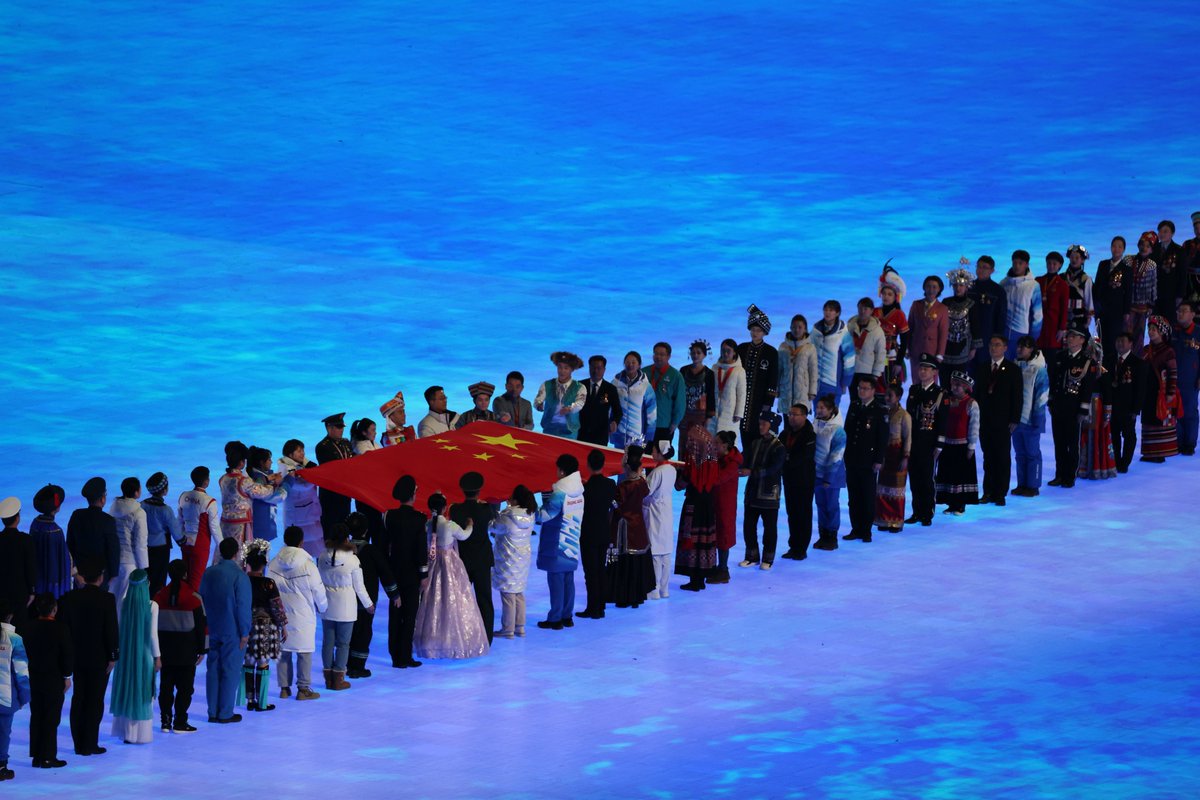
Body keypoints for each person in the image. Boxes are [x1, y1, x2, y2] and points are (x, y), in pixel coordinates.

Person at [413, 494, 489, 659]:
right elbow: (464, 535)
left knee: (433, 600)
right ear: (444, 508)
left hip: (432, 563)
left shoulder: (428, 524)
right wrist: (470, 525)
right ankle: (453, 640)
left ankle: (432, 640)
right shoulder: (449, 525)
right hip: (449, 563)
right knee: (452, 599)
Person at [56, 558, 118, 754]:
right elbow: (111, 630)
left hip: (76, 657)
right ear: (100, 578)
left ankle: (78, 744)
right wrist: (113, 655)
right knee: (95, 700)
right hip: (99, 658)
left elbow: (64, 631)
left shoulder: (68, 599)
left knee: (79, 698)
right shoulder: (107, 599)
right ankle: (90, 743)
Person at [267, 526, 326, 698]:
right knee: (304, 652)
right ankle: (303, 689)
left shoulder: (274, 562)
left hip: (280, 615)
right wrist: (323, 608)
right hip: (303, 615)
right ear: (302, 542)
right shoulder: (308, 565)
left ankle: (284, 689)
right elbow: (318, 590)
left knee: (284, 651)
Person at [198, 537, 251, 724]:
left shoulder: (209, 573)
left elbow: (201, 598)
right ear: (237, 553)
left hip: (212, 626)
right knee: (230, 670)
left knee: (213, 669)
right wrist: (245, 632)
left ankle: (212, 711)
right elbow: (243, 607)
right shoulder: (240, 576)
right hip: (232, 629)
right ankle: (225, 712)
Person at [318, 524, 374, 689]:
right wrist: (368, 603)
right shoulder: (352, 559)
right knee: (343, 644)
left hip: (327, 604)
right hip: (346, 606)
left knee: (328, 642)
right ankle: (339, 679)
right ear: (346, 538)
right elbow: (359, 586)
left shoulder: (322, 556)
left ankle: (328, 678)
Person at [153, 559, 206, 732]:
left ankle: (165, 721)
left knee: (165, 687)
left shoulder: (159, 596)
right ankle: (180, 721)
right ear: (185, 574)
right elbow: (202, 626)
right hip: (187, 651)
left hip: (165, 651)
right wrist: (202, 649)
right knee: (185, 688)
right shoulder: (194, 598)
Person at [344, 512, 398, 678]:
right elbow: (385, 573)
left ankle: (345, 664)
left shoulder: (341, 550)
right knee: (364, 632)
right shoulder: (372, 551)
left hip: (345, 600)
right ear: (366, 530)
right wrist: (394, 594)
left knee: (348, 633)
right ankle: (358, 666)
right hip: (367, 601)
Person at [109, 569, 160, 744]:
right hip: (144, 655)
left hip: (126, 654)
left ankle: (126, 733)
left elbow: (119, 628)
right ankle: (140, 734)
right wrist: (158, 656)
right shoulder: (152, 606)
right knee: (143, 690)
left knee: (127, 688)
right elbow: (153, 635)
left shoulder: (123, 603)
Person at [382, 477, 428, 668]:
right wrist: (424, 574)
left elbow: (385, 544)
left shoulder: (388, 516)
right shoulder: (419, 519)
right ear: (413, 495)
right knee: (410, 615)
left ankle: (395, 656)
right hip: (411, 574)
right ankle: (405, 655)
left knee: (395, 613)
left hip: (393, 570)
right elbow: (420, 550)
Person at [536, 455, 585, 628]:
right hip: (571, 540)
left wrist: (533, 508)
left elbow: (544, 515)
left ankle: (555, 618)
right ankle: (566, 615)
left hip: (557, 542)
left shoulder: (559, 494)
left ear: (562, 471)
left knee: (556, 581)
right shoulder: (579, 491)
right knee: (568, 580)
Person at [23, 593, 70, 768]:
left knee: (36, 715)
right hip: (53, 679)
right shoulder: (61, 629)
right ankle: (48, 756)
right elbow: (66, 656)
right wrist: (67, 676)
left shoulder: (28, 627)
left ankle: (36, 756)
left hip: (33, 678)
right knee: (51, 717)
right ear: (54, 609)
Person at [449, 471, 497, 644]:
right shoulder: (486, 509)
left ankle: (463, 635)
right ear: (479, 490)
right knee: (485, 598)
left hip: (464, 560)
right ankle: (487, 638)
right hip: (483, 559)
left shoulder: (455, 509)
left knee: (461, 599)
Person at [1048, 328, 1099, 488]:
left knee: (1072, 443)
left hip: (1074, 408)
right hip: (1058, 406)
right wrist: (1051, 402)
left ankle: (1070, 476)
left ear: (1082, 340)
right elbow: (1053, 381)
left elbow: (1087, 388)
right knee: (1059, 443)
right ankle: (1059, 474)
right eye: (1069, 336)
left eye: (1074, 336)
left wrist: (1083, 410)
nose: (1070, 339)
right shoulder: (1060, 357)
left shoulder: (1087, 361)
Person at [241, 542, 287, 712]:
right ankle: (261, 701)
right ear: (264, 564)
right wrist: (283, 626)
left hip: (246, 625)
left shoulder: (243, 581)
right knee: (262, 662)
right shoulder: (268, 583)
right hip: (266, 628)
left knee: (248, 661)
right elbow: (277, 607)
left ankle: (249, 700)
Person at [976, 334, 1022, 505]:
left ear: (1005, 347)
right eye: (991, 345)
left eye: (997, 345)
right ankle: (988, 491)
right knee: (988, 457)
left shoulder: (1012, 370)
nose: (993, 348)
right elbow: (978, 394)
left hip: (1003, 421)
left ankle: (1000, 492)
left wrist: (1014, 419)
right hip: (985, 420)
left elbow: (1017, 397)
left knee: (1002, 457)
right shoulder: (982, 368)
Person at [219, 442, 283, 561]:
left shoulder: (223, 478)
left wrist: (267, 478)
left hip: (226, 522)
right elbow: (261, 492)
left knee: (226, 551)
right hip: (241, 523)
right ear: (242, 462)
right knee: (239, 554)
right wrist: (275, 485)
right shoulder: (244, 480)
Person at [607, 445, 654, 606]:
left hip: (624, 528)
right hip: (638, 525)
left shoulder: (623, 487)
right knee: (637, 560)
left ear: (627, 466)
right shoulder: (642, 483)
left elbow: (615, 505)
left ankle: (624, 595)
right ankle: (637, 596)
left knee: (626, 560)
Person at [674, 424, 719, 590]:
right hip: (707, 506)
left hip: (693, 505)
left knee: (692, 539)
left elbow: (680, 485)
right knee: (704, 540)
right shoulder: (712, 464)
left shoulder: (692, 466)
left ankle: (694, 580)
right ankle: (700, 578)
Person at [843, 377, 888, 541]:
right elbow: (847, 431)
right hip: (852, 458)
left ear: (873, 391)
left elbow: (882, 438)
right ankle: (855, 528)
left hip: (868, 460)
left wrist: (878, 459)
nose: (861, 391)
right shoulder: (854, 406)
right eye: (860, 388)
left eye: (865, 388)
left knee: (867, 496)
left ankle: (866, 530)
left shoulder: (879, 410)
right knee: (853, 497)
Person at [739, 411, 787, 564]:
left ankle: (768, 558)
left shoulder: (779, 447)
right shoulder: (755, 443)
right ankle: (751, 556)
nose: (760, 427)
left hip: (769, 495)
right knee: (748, 526)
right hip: (753, 492)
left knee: (769, 529)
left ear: (771, 426)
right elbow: (742, 458)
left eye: (763, 424)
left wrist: (751, 472)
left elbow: (773, 469)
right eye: (759, 423)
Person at [489, 486, 536, 635]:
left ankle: (508, 629)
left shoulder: (507, 517)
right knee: (519, 593)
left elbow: (493, 527)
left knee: (508, 594)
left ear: (515, 499)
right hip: (522, 558)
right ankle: (519, 627)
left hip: (507, 559)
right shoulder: (530, 514)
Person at [905, 355, 944, 524]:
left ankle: (927, 512)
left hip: (929, 441)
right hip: (913, 441)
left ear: (934, 372)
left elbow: (942, 420)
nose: (922, 371)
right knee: (914, 477)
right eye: (921, 368)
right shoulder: (914, 390)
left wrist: (939, 444)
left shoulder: (939, 393)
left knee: (927, 478)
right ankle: (916, 511)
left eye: (926, 368)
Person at [935, 372, 981, 515]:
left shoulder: (971, 403)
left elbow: (974, 426)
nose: (955, 387)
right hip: (947, 444)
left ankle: (960, 504)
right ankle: (950, 503)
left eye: (958, 385)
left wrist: (971, 446)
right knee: (948, 474)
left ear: (966, 388)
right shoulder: (946, 401)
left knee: (960, 475)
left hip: (962, 446)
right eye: (953, 384)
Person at [577, 451, 615, 619]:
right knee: (601, 569)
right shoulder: (610, 485)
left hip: (588, 533)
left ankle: (593, 607)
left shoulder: (585, 488)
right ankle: (601, 606)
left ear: (588, 464)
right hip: (604, 531)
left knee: (591, 571)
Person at [67, 477, 120, 592]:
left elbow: (69, 545)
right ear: (102, 499)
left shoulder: (76, 515)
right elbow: (113, 549)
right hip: (100, 576)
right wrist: (114, 574)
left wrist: (75, 573)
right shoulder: (108, 520)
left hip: (80, 574)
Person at [738, 304, 780, 448]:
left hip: (760, 400)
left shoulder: (771, 352)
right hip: (741, 398)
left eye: (759, 330)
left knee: (757, 430)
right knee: (742, 427)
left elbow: (773, 379)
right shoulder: (741, 349)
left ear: (764, 332)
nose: (755, 333)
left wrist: (768, 403)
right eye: (753, 330)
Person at [1013, 336, 1051, 495]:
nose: (1019, 349)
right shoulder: (1016, 365)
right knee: (1020, 454)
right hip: (1016, 420)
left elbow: (1042, 395)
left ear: (1032, 349)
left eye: (1024, 347)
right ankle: (1022, 484)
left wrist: (1038, 418)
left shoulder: (1039, 368)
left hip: (1031, 420)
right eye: (1019, 346)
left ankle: (1033, 486)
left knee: (1032, 453)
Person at [1140, 315, 1180, 463]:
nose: (1150, 332)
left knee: (1159, 419)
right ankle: (1149, 453)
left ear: (1162, 332)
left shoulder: (1169, 351)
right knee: (1148, 419)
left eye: (1154, 329)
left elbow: (1173, 373)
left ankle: (1160, 452)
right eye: (1149, 329)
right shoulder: (1145, 350)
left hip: (1160, 393)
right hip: (1147, 392)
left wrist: (1170, 392)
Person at [1106, 331, 1147, 474]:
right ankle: (1116, 460)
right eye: (1118, 340)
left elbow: (1140, 389)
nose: (1120, 343)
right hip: (1111, 406)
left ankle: (1125, 462)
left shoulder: (1138, 363)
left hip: (1128, 407)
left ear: (1130, 343)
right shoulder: (1108, 360)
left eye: (1123, 341)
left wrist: (1136, 409)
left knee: (1129, 435)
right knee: (1114, 435)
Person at [1076, 339, 1117, 481]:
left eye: (1094, 353)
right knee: (1084, 436)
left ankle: (1096, 468)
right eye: (1089, 352)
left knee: (1096, 437)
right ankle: (1082, 467)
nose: (1091, 355)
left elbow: (1108, 395)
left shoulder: (1102, 371)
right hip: (1086, 405)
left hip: (1097, 408)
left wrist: (1107, 414)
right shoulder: (1083, 368)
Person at [780, 403, 817, 558]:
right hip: (788, 479)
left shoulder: (809, 435)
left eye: (795, 414)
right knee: (792, 513)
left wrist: (786, 459)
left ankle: (801, 548)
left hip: (804, 480)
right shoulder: (785, 433)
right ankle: (793, 545)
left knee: (803, 513)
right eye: (790, 414)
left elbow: (802, 457)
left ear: (804, 416)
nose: (791, 417)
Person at [0, 599, 30, 781]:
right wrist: (25, 697)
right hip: (5, 698)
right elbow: (22, 673)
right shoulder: (15, 640)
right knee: (3, 733)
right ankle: (1, 767)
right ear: (10, 616)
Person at [875, 385, 912, 532]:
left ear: (898, 397)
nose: (886, 398)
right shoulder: (884, 412)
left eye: (890, 395)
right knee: (883, 488)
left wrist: (906, 456)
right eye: (886, 395)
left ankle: (896, 521)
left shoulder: (904, 416)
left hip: (897, 454)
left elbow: (908, 437)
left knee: (896, 490)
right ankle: (883, 520)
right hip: (885, 454)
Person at [177, 467, 221, 590]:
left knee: (184, 577)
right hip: (200, 544)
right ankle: (192, 607)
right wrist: (222, 546)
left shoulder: (183, 496)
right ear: (206, 481)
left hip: (185, 542)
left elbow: (179, 521)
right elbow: (214, 527)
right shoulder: (209, 501)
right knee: (196, 580)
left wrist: (179, 539)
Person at [278, 440, 324, 559]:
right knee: (299, 545)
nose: (302, 453)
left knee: (313, 544)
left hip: (307, 511)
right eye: (299, 451)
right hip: (298, 514)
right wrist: (313, 478)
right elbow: (299, 486)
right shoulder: (287, 468)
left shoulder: (300, 464)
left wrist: (311, 470)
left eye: (302, 450)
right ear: (290, 454)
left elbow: (313, 467)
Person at [812, 396, 847, 548]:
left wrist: (829, 477)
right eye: (817, 407)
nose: (818, 410)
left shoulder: (838, 430)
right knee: (820, 504)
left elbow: (836, 455)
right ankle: (823, 535)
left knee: (831, 505)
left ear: (831, 410)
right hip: (817, 474)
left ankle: (832, 537)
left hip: (831, 476)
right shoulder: (815, 423)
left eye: (822, 408)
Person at [644, 441, 677, 598]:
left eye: (654, 450)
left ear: (660, 453)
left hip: (655, 511)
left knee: (656, 551)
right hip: (666, 511)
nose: (652, 452)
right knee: (666, 551)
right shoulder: (671, 469)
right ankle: (664, 588)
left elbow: (647, 491)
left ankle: (654, 588)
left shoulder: (658, 472)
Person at [109, 477, 148, 608]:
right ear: (137, 492)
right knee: (125, 602)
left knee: (112, 597)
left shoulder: (113, 508)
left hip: (113, 560)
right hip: (129, 562)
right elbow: (140, 542)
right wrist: (143, 568)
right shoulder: (139, 512)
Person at [942, 263, 982, 387]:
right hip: (946, 349)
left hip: (963, 350)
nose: (958, 288)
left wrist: (974, 349)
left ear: (966, 287)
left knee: (959, 384)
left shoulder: (972, 304)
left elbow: (976, 327)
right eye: (955, 285)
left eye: (961, 285)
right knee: (944, 382)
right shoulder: (945, 302)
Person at [968, 255, 1009, 376]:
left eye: (985, 267)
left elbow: (1001, 316)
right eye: (979, 267)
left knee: (984, 371)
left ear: (992, 270)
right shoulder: (969, 287)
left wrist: (997, 340)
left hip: (987, 337)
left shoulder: (997, 290)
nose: (981, 270)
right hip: (969, 336)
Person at [141, 472, 181, 595]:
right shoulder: (165, 510)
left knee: (146, 577)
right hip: (161, 549)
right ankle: (156, 606)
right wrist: (183, 541)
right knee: (159, 580)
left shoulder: (141, 505)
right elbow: (176, 531)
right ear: (164, 490)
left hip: (144, 546)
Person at [710, 432, 743, 579]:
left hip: (725, 505)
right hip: (715, 501)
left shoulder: (732, 463)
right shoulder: (720, 458)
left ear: (725, 445)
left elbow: (717, 479)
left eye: (716, 443)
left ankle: (723, 569)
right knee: (717, 534)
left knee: (723, 535)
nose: (713, 445)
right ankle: (717, 567)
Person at [1094, 237, 1134, 360]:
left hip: (1117, 310)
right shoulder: (1103, 264)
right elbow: (1097, 286)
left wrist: (1126, 312)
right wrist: (1095, 306)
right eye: (1114, 246)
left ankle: (1110, 368)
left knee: (1113, 340)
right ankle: (1100, 367)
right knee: (1101, 339)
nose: (1116, 249)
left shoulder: (1126, 269)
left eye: (1119, 246)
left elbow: (1128, 292)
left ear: (1123, 250)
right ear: (1111, 247)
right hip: (1101, 308)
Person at [29, 485, 71, 600]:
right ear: (56, 507)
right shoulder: (55, 531)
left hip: (37, 579)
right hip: (51, 582)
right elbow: (63, 559)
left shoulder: (35, 524)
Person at [0, 498, 35, 633]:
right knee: (19, 630)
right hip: (20, 593)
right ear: (17, 518)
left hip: (1, 591)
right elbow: (30, 567)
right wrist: (32, 591)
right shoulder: (26, 540)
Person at [1001, 250, 1043, 360]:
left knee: (1020, 366)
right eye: (1014, 263)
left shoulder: (1033, 286)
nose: (1017, 266)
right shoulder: (1004, 283)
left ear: (1027, 264)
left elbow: (1038, 315)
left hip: (1021, 333)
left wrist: (1032, 338)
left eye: (1020, 263)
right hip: (1004, 332)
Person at [811, 300, 857, 402]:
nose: (827, 312)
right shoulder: (815, 331)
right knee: (817, 414)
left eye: (831, 310)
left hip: (833, 384)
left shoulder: (843, 333)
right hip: (816, 383)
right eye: (826, 310)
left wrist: (845, 383)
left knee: (831, 415)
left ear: (837, 313)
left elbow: (849, 360)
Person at [315, 413, 355, 530]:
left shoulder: (346, 443)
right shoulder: (322, 446)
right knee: (331, 526)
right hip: (331, 494)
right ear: (329, 428)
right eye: (338, 427)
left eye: (342, 427)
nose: (341, 430)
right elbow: (331, 469)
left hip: (345, 492)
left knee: (345, 524)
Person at [611, 351, 657, 449]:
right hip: (619, 433)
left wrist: (649, 436)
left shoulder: (645, 386)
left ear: (639, 365)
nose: (630, 365)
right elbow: (607, 403)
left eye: (633, 362)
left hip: (637, 435)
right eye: (627, 362)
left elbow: (652, 413)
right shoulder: (615, 383)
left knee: (634, 461)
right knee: (617, 460)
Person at [874, 264, 911, 387]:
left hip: (891, 358)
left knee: (891, 388)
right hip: (875, 356)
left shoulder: (899, 315)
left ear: (896, 297)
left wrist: (899, 363)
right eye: (884, 294)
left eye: (890, 294)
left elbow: (905, 340)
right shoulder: (875, 312)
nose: (886, 297)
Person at [908, 276, 949, 384]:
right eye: (929, 286)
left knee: (930, 381)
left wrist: (940, 354)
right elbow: (910, 328)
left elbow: (943, 333)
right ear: (924, 288)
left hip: (932, 351)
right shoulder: (916, 305)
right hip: (916, 349)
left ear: (939, 289)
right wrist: (907, 348)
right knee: (916, 379)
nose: (931, 290)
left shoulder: (942, 308)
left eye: (934, 287)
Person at [535, 351, 587, 438]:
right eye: (560, 367)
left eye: (566, 368)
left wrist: (570, 408)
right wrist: (538, 405)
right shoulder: (547, 384)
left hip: (569, 432)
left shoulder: (580, 387)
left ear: (572, 370)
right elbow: (538, 399)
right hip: (549, 429)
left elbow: (580, 404)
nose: (562, 371)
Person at [678, 341, 717, 454]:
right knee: (683, 442)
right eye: (693, 352)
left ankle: (695, 470)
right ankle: (681, 468)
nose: (695, 355)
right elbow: (679, 393)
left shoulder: (709, 374)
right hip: (684, 414)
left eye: (698, 353)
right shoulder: (683, 370)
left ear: (704, 355)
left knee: (697, 443)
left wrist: (709, 417)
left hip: (700, 415)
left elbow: (710, 395)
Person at [1173, 301, 1200, 455]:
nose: (1180, 314)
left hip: (1190, 380)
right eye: (1178, 311)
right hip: (1174, 379)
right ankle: (1177, 441)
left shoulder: (1198, 332)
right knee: (1175, 411)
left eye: (1183, 311)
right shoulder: (1173, 332)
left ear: (1193, 314)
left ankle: (1189, 443)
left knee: (1189, 411)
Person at [577, 357, 623, 446]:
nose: (595, 371)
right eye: (593, 367)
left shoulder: (610, 389)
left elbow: (618, 411)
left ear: (604, 370)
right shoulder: (580, 385)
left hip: (600, 435)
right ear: (589, 368)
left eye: (599, 368)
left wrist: (615, 422)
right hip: (580, 433)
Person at [646, 343, 685, 445]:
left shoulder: (676, 375)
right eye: (656, 354)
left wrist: (675, 422)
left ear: (669, 356)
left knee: (661, 455)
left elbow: (680, 402)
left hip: (664, 424)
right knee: (643, 454)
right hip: (645, 423)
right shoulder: (644, 372)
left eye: (662, 354)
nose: (658, 357)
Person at [778, 317, 818, 418]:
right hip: (785, 390)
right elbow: (778, 370)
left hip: (802, 391)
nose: (797, 330)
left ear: (805, 329)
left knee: (800, 422)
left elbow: (813, 371)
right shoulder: (783, 347)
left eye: (800, 327)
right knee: (787, 421)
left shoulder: (810, 348)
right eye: (794, 327)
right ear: (790, 327)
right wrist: (776, 388)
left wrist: (812, 391)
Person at [847, 298, 886, 396]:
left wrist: (876, 374)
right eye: (860, 308)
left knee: (866, 401)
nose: (862, 311)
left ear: (872, 311)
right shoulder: (849, 327)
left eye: (865, 309)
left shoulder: (877, 331)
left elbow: (881, 354)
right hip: (851, 371)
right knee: (853, 400)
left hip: (867, 373)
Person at [248, 447, 287, 543]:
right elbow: (275, 497)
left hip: (262, 522)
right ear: (262, 462)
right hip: (261, 523)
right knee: (260, 553)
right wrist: (287, 483)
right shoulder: (258, 478)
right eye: (269, 459)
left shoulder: (261, 476)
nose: (271, 462)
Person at [1038, 251, 1070, 366]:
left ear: (1060, 266)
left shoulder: (1063, 285)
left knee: (1051, 359)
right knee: (1037, 358)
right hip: (1039, 325)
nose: (1051, 266)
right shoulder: (1038, 281)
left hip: (1053, 326)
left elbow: (1064, 308)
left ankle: (1051, 383)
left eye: (1054, 264)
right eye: (1049, 263)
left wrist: (1062, 328)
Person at [1129, 233, 1159, 350]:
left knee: (1139, 336)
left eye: (1147, 246)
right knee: (1127, 334)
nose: (1144, 248)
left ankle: (1137, 362)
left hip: (1143, 307)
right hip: (1129, 304)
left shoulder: (1152, 265)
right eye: (1142, 245)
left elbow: (1153, 285)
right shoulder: (1128, 260)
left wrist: (1152, 304)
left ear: (1151, 250)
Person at [711, 339, 746, 437]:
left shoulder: (739, 370)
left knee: (727, 443)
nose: (725, 353)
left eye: (728, 351)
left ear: (734, 352)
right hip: (714, 412)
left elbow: (742, 394)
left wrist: (739, 413)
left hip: (730, 414)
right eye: (723, 350)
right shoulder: (715, 368)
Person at [1153, 220, 1184, 319]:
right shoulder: (1153, 249)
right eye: (1160, 231)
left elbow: (1182, 274)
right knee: (1154, 324)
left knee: (1169, 324)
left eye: (1165, 231)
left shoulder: (1179, 251)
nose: (1162, 234)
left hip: (1171, 295)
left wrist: (1180, 295)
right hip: (1154, 295)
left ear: (1172, 233)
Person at [1064, 244, 1095, 337]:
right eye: (1072, 257)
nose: (1074, 260)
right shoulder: (1062, 277)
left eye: (1077, 257)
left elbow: (1089, 300)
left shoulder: (1086, 279)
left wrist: (1088, 319)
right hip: (1063, 318)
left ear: (1083, 260)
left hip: (1080, 318)